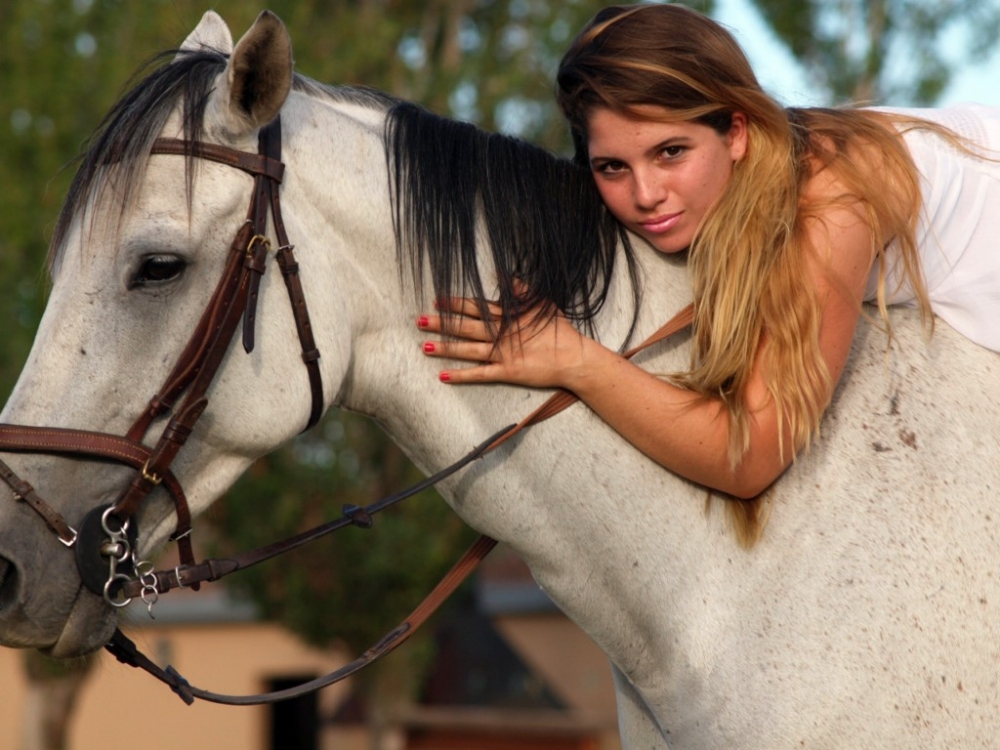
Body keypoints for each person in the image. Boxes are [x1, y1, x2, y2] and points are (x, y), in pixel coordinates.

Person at [416, 3, 1000, 500]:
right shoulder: (730, 188)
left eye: (671, 152)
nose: (645, 195)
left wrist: (575, 359)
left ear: (738, 132)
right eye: (612, 166)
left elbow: (750, 457)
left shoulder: (830, 199)